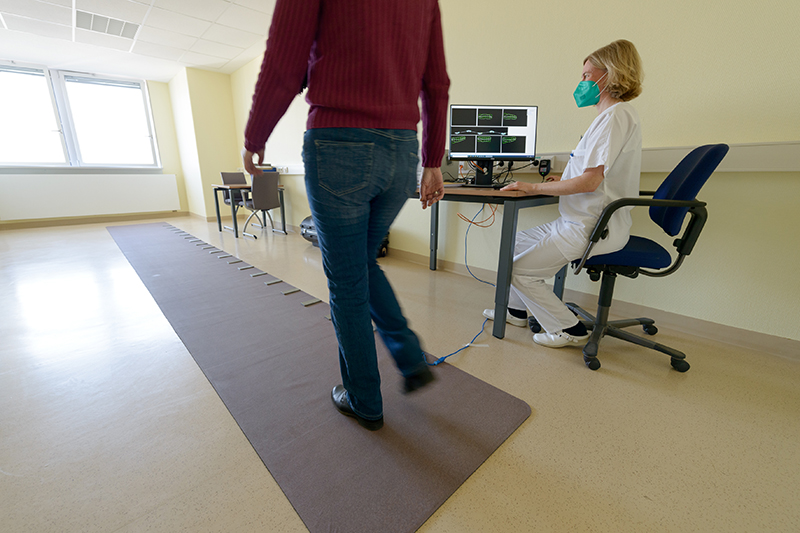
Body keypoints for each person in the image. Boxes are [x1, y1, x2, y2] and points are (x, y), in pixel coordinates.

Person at [242, 0, 450, 431]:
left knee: (346, 280)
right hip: (402, 152)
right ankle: (409, 356)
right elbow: (437, 84)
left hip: (339, 145)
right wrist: (431, 160)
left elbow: (283, 63)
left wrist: (255, 134)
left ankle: (363, 398)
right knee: (361, 264)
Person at [483, 39, 644, 349]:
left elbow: (590, 183)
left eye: (586, 75)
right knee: (513, 244)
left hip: (592, 229)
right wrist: (563, 179)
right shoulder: (608, 119)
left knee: (517, 269)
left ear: (609, 74)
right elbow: (590, 176)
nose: (581, 83)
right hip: (578, 221)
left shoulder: (616, 117)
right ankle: (517, 310)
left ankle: (568, 328)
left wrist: (533, 186)